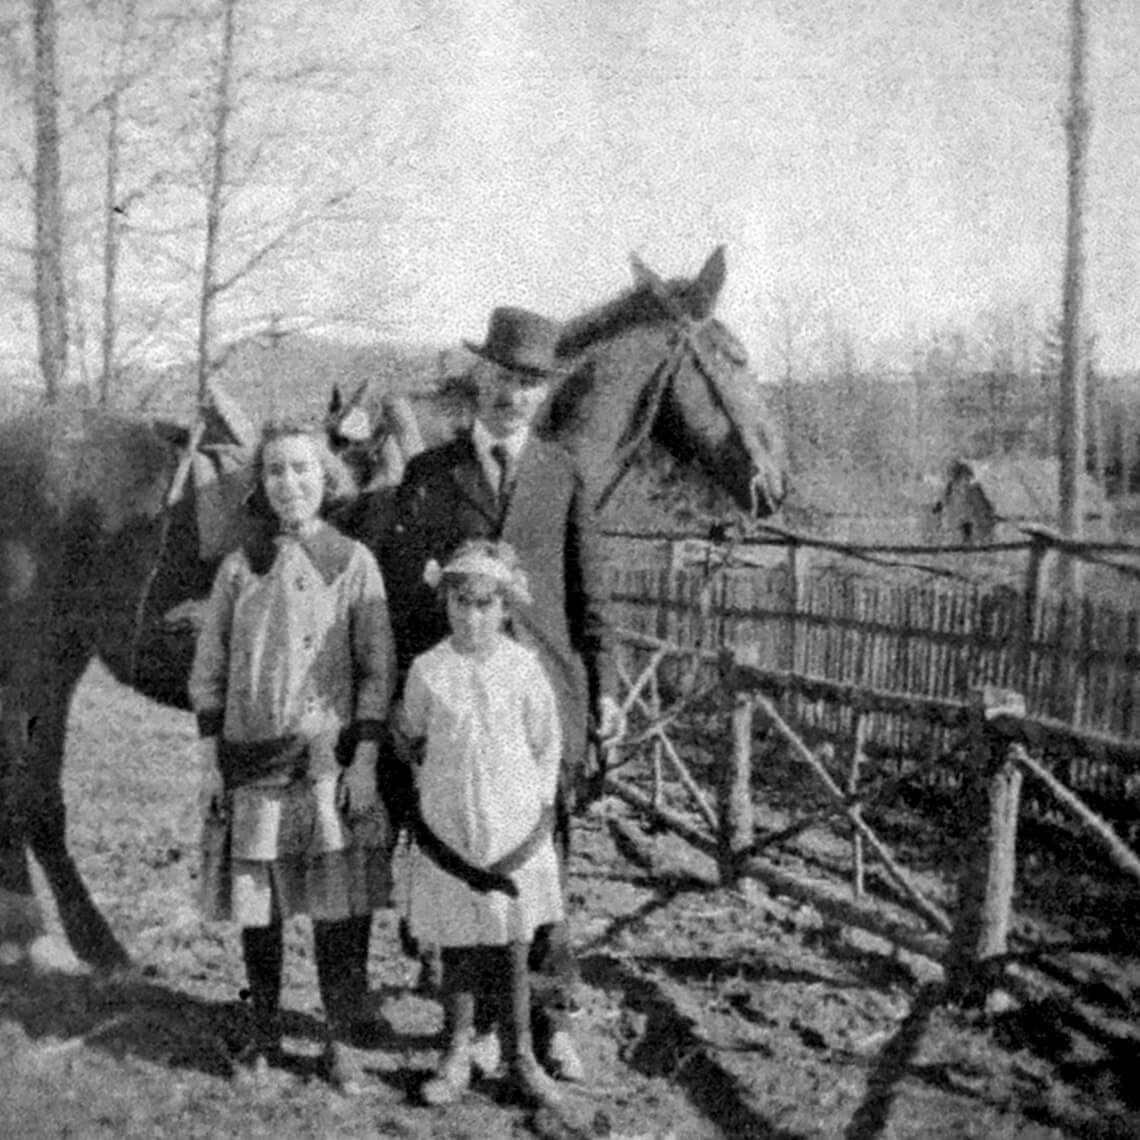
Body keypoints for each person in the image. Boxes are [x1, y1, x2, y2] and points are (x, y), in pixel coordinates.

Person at [362, 306, 622, 1084]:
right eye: (505, 378)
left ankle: (547, 1022)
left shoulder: (563, 473)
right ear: (481, 378)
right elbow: (409, 608)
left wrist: (604, 692)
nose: (515, 396)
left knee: (542, 859)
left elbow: (592, 599)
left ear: (544, 395)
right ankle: (471, 1023)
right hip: (458, 711)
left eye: (531, 384)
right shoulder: (429, 476)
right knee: (463, 859)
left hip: (540, 704)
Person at [190, 421, 395, 1094]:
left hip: (328, 768)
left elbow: (375, 671)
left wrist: (364, 760)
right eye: (275, 471)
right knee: (262, 908)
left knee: (337, 910)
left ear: (326, 477)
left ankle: (338, 1039)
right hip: (253, 767)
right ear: (262, 483)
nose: (289, 483)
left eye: (302, 469)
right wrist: (210, 759)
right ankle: (265, 1028)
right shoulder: (239, 565)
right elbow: (211, 669)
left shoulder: (353, 562)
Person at [393, 539, 565, 1107]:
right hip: (451, 831)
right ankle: (457, 1052)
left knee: (513, 944)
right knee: (460, 946)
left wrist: (531, 813)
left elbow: (546, 745)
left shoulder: (524, 670)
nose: (472, 616)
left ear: (506, 609)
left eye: (486, 604)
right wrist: (439, 792)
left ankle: (521, 1055)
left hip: (513, 830)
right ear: (446, 603)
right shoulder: (428, 671)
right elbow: (410, 735)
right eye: (461, 602)